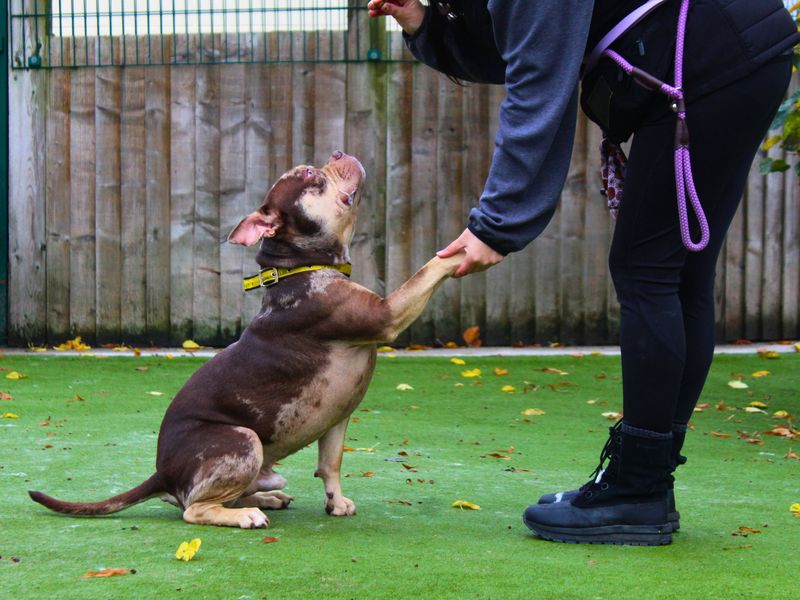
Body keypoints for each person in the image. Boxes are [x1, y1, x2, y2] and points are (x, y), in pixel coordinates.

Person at [368, 0, 799, 546]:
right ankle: (644, 483)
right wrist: (423, 23)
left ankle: (636, 491)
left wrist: (498, 223)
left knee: (647, 270)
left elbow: (540, 79)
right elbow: (527, 44)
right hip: (738, 51)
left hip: (710, 58)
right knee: (678, 273)